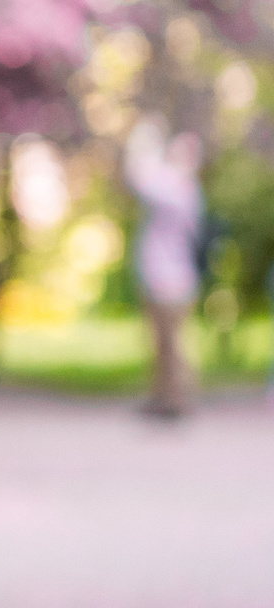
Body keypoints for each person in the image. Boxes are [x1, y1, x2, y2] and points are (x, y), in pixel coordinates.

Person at [122, 116, 205, 421]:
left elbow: (141, 182)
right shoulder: (180, 185)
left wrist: (143, 147)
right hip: (164, 277)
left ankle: (177, 400)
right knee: (163, 343)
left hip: (171, 279)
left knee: (172, 344)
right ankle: (164, 397)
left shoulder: (179, 188)